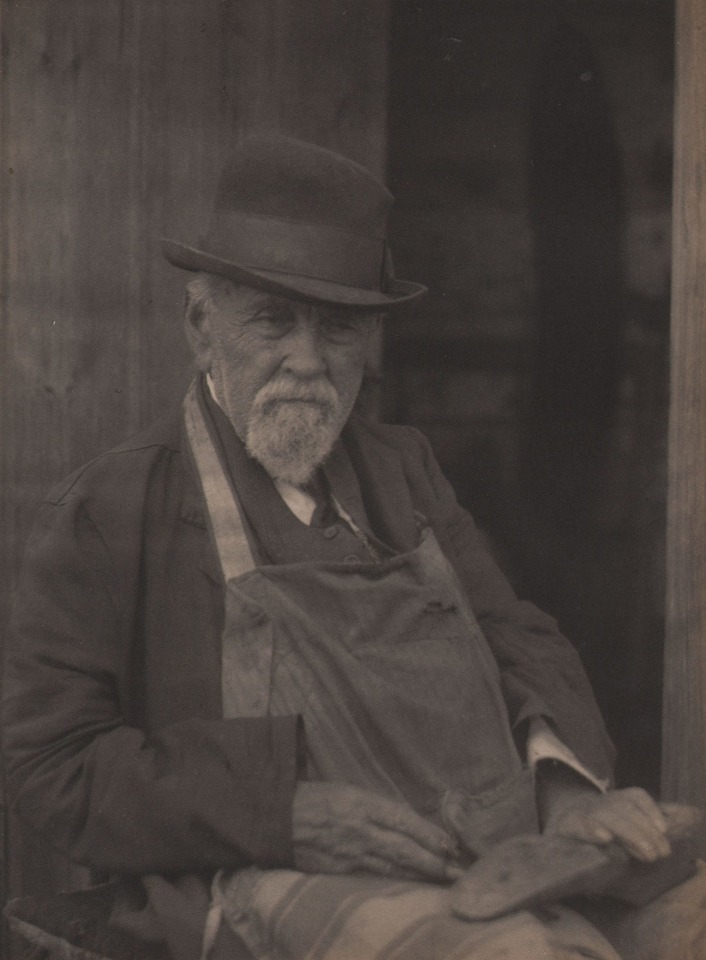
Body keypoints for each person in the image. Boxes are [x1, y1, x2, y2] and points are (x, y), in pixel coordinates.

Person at [2, 135, 698, 960]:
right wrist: (279, 814)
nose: (307, 359)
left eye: (338, 328)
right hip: (251, 879)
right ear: (200, 326)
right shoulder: (113, 509)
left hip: (473, 854)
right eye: (273, 320)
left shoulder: (405, 473)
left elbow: (518, 634)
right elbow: (47, 761)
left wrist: (564, 790)